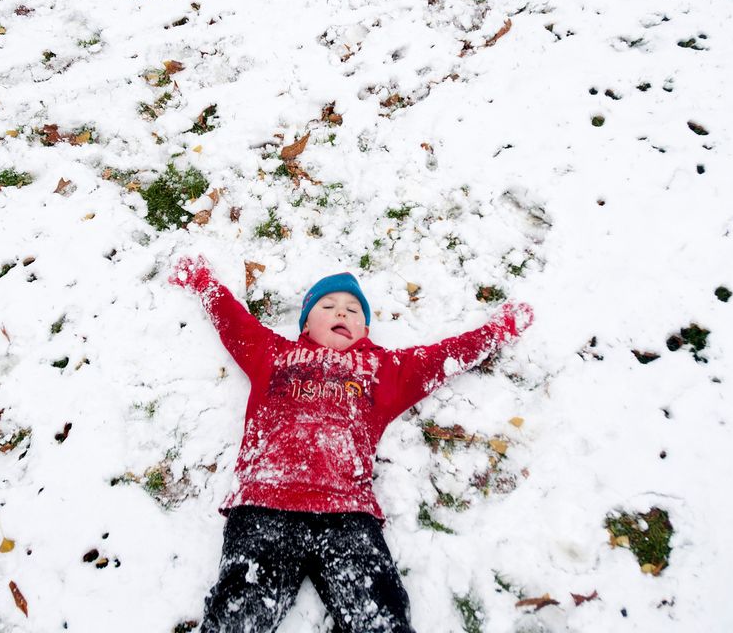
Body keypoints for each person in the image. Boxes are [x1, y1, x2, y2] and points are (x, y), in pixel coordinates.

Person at [169, 255, 534, 633]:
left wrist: (499, 330)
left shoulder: (383, 371)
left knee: (378, 612)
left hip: (347, 513)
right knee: (239, 612)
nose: (341, 312)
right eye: (327, 306)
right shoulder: (274, 355)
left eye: (353, 309)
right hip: (267, 501)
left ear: (366, 327)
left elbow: (441, 358)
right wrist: (203, 283)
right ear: (306, 323)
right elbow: (235, 324)